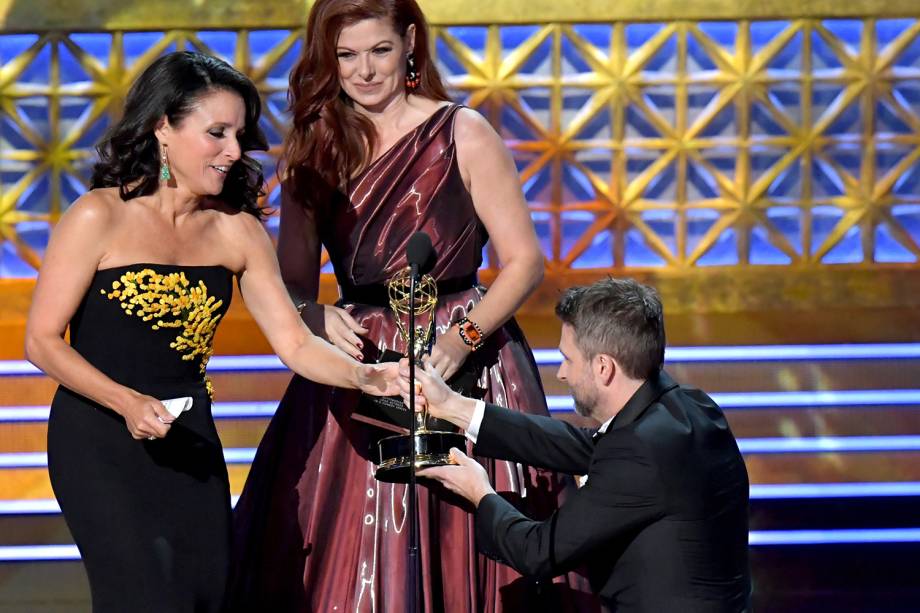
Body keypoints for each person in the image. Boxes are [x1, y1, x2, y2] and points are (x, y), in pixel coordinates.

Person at [227, 0, 595, 611]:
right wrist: (314, 315)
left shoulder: (463, 131)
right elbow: (289, 284)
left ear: (410, 45)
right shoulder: (315, 146)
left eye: (379, 50)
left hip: (468, 353)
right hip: (360, 362)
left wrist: (462, 340)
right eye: (347, 55)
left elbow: (525, 261)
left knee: (472, 523)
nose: (364, 71)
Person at [23, 51, 398, 613]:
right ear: (163, 129)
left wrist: (366, 377)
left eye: (238, 135)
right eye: (216, 132)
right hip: (98, 439)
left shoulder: (238, 231)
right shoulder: (97, 216)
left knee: (203, 595)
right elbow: (42, 341)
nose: (232, 151)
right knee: (147, 595)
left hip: (189, 437)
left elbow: (295, 343)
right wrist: (126, 402)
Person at [409, 278, 753, 612]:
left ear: (603, 367)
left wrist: (480, 492)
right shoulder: (692, 409)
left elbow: (538, 551)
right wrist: (452, 406)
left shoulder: (639, 452)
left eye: (568, 359)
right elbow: (585, 446)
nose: (561, 373)